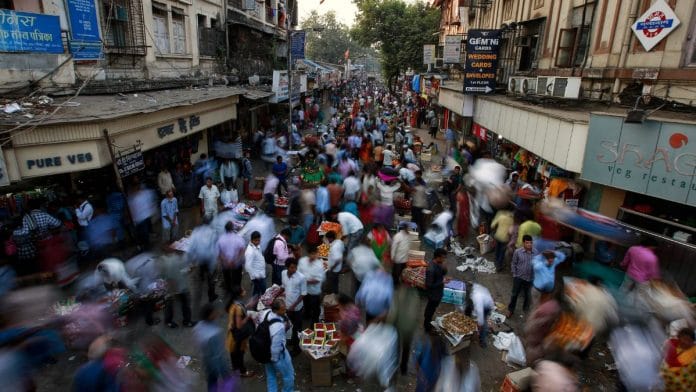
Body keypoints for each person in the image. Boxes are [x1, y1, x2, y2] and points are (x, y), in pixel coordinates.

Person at [193, 303, 231, 391]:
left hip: (206, 361)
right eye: (214, 312)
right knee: (226, 382)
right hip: (216, 364)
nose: (216, 313)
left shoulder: (198, 326)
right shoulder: (214, 334)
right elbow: (217, 356)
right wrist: (223, 370)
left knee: (211, 382)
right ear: (209, 315)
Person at [264, 298, 295, 392]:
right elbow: (275, 346)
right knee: (289, 375)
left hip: (265, 350)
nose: (285, 311)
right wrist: (275, 360)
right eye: (283, 309)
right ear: (276, 310)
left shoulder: (266, 313)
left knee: (271, 376)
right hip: (278, 355)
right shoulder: (279, 326)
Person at [156, 251, 193, 328]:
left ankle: (186, 321)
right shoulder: (163, 260)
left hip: (179, 285)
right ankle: (177, 321)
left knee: (181, 302)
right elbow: (161, 275)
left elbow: (184, 269)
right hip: (173, 286)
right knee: (172, 304)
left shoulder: (179, 257)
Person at [225, 286, 255, 378]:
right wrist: (248, 317)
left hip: (232, 333)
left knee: (233, 353)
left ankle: (235, 368)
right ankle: (242, 371)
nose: (245, 291)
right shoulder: (238, 308)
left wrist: (247, 306)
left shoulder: (233, 303)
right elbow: (239, 325)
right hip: (237, 335)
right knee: (239, 354)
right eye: (243, 290)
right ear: (240, 294)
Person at [281, 258, 306, 355]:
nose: (294, 269)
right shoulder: (283, 273)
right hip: (288, 306)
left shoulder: (301, 277)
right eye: (292, 267)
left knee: (297, 328)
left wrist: (293, 306)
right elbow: (283, 287)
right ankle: (293, 340)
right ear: (287, 267)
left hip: (297, 308)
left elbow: (303, 294)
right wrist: (274, 297)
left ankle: (297, 349)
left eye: (295, 267)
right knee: (291, 326)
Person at [508, 235, 537, 316]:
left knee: (528, 296)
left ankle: (525, 310)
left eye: (531, 243)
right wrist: (514, 274)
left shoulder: (535, 252)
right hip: (519, 277)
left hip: (530, 278)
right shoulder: (518, 252)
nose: (529, 245)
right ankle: (511, 310)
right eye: (527, 243)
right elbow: (513, 263)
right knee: (514, 294)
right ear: (523, 243)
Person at [298, 245, 325, 325]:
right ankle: (307, 315)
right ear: (308, 254)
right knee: (306, 304)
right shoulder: (302, 261)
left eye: (315, 254)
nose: (313, 256)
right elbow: (298, 273)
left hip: (314, 291)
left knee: (315, 308)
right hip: (304, 290)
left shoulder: (319, 265)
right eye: (311, 254)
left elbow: (318, 279)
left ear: (317, 254)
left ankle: (314, 322)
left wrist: (305, 281)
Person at [217, 221, 246, 294]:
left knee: (227, 278)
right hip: (237, 264)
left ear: (225, 229)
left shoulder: (220, 239)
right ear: (233, 229)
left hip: (225, 264)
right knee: (237, 278)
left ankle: (229, 289)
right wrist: (235, 260)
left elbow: (219, 253)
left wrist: (227, 261)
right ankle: (237, 291)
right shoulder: (238, 238)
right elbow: (242, 251)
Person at [424, 249, 448, 333]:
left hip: (438, 292)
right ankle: (427, 327)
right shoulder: (431, 269)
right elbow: (429, 285)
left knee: (432, 308)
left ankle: (428, 320)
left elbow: (442, 273)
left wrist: (444, 269)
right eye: (443, 258)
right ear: (438, 257)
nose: (444, 260)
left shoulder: (439, 264)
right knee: (430, 309)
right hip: (433, 294)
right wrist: (442, 282)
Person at [471, 282, 494, 348]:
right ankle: (481, 330)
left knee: (483, 323)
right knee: (481, 320)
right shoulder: (476, 287)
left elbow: (480, 310)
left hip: (486, 307)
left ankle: (482, 340)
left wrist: (480, 323)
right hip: (487, 303)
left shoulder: (477, 296)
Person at [244, 231, 266, 297]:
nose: (258, 242)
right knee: (263, 291)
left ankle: (254, 303)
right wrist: (256, 276)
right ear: (252, 240)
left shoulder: (257, 245)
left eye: (259, 240)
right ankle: (260, 304)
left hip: (260, 273)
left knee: (257, 290)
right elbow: (247, 266)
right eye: (256, 240)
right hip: (258, 276)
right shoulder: (250, 252)